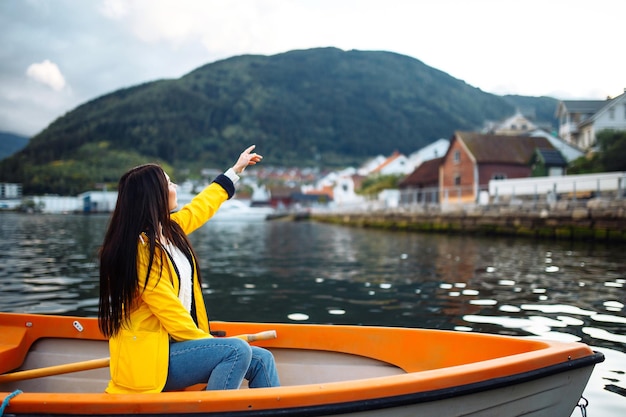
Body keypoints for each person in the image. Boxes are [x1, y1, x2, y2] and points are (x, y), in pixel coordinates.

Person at [98, 145, 280, 394]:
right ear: (155, 194)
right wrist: (209, 343)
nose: (175, 187)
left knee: (262, 359)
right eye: (170, 183)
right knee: (237, 351)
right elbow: (168, 309)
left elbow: (201, 207)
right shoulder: (138, 249)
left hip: (176, 347)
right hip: (152, 359)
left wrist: (235, 171)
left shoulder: (169, 230)